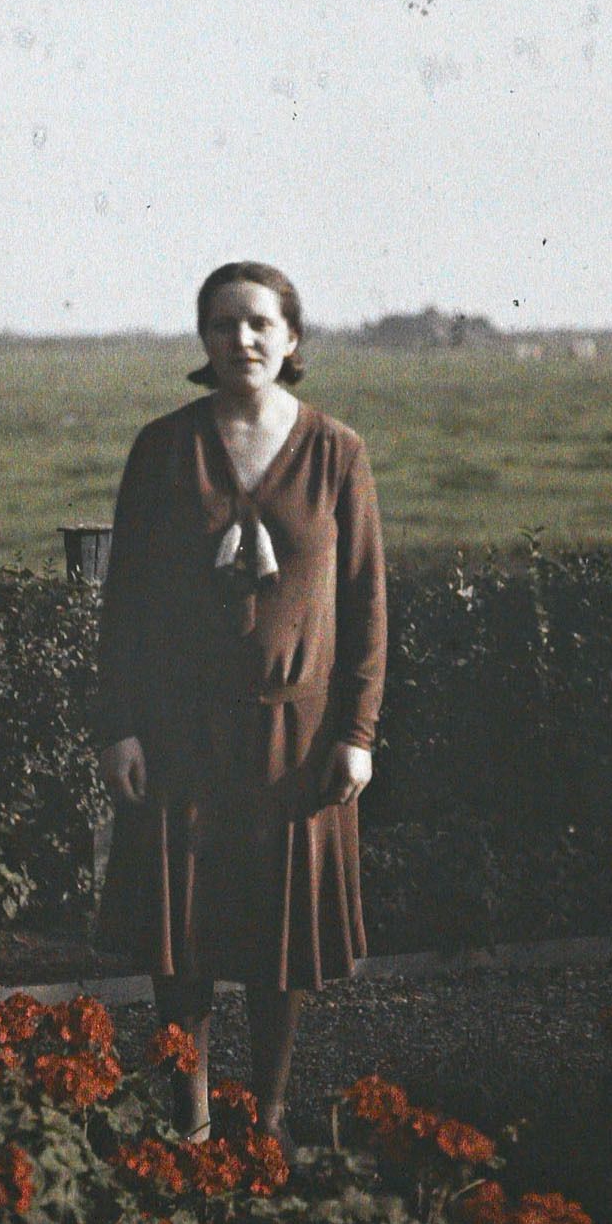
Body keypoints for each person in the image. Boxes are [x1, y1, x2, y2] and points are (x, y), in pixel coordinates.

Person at [93, 262, 387, 1146]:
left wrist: (358, 733)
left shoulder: (337, 452)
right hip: (180, 733)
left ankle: (265, 1119)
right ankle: (186, 1120)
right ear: (203, 342)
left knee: (278, 939)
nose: (242, 341)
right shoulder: (161, 448)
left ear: (292, 340)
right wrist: (119, 727)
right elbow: (126, 603)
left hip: (296, 738)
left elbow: (367, 601)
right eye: (223, 326)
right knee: (178, 942)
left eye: (260, 324)